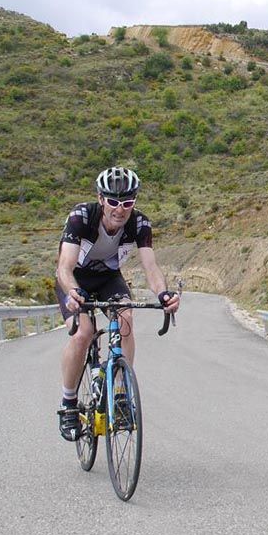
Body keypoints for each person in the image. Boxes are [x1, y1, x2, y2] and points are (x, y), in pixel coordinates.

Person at [55, 166, 180, 441]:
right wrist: (73, 292)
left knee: (126, 319)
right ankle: (68, 404)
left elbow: (151, 267)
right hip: (75, 280)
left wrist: (163, 294)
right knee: (83, 334)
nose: (120, 209)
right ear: (101, 199)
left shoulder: (139, 224)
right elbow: (64, 267)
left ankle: (121, 396)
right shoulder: (81, 217)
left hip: (109, 279)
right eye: (113, 201)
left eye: (127, 202)